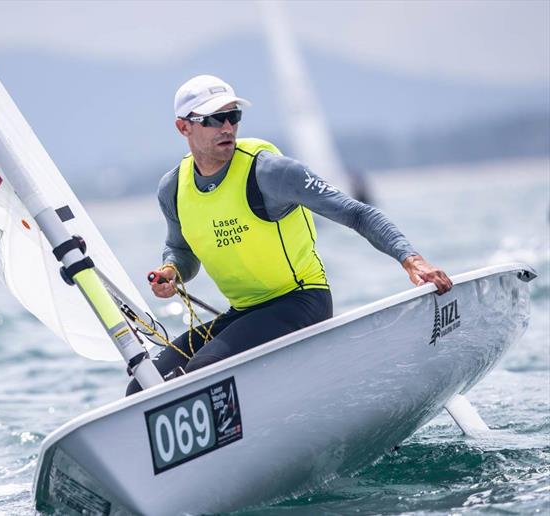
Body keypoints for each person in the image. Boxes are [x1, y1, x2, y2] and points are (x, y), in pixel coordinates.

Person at [126, 75, 452, 396]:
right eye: (214, 119)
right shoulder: (173, 188)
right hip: (243, 313)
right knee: (142, 384)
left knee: (197, 376)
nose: (227, 127)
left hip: (300, 302)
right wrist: (171, 271)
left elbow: (356, 212)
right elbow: (180, 249)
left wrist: (412, 260)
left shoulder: (271, 172)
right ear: (184, 127)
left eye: (233, 116)